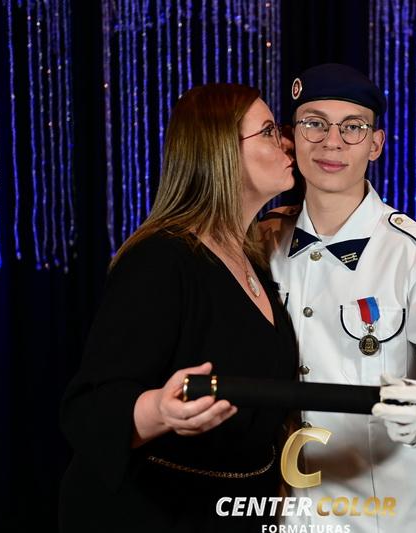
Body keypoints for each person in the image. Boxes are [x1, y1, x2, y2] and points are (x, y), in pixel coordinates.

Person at [260, 63, 416, 533]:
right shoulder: (260, 241)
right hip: (287, 517)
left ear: (375, 144)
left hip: (387, 519)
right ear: (291, 138)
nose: (332, 142)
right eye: (314, 123)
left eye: (352, 128)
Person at [59, 83, 297, 532]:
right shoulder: (161, 259)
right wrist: (159, 411)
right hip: (152, 514)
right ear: (220, 152)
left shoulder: (257, 258)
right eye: (268, 131)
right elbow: (90, 405)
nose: (287, 142)